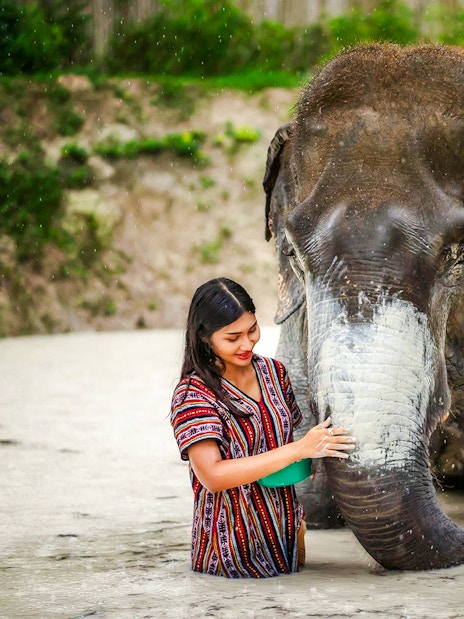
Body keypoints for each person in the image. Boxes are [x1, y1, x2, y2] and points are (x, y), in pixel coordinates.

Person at [170, 277, 356, 578]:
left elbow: (281, 445)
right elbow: (213, 476)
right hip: (229, 552)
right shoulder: (194, 395)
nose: (247, 344)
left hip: (286, 537)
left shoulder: (274, 372)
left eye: (252, 330)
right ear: (205, 337)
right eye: (232, 338)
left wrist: (311, 455)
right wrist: (299, 448)